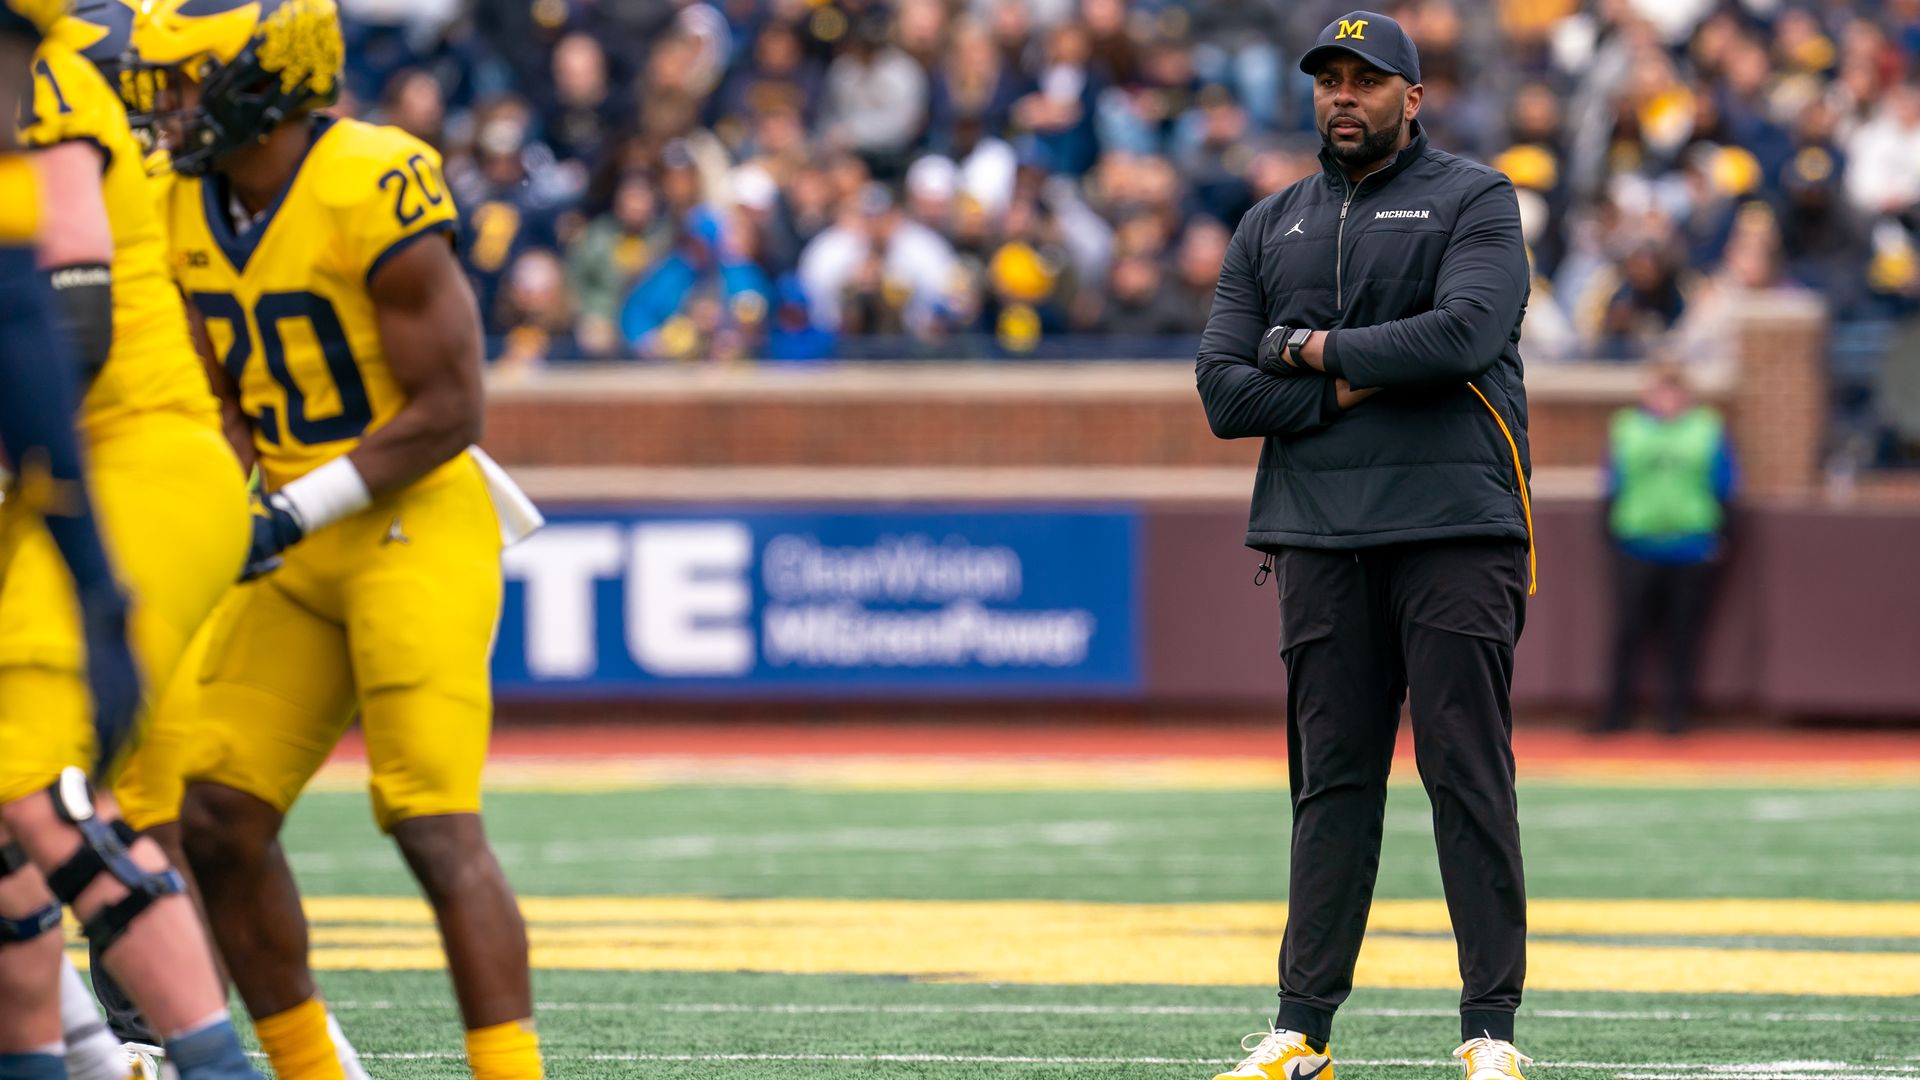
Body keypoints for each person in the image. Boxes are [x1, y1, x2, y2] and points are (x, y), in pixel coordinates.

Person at [133, 1, 545, 1078]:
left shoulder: (370, 178)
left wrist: (290, 508)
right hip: (291, 537)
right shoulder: (185, 204)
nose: (165, 104)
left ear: (264, 83)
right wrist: (230, 497)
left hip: (407, 519)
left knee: (431, 825)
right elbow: (222, 393)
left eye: (187, 81)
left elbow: (454, 406)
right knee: (215, 816)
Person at [1194, 12, 1536, 1080]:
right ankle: (1301, 1032)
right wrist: (1358, 380)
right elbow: (1221, 390)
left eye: (1367, 79)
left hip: (1455, 526)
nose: (1344, 95)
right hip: (1316, 535)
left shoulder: (1475, 196)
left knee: (1465, 774)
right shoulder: (1269, 223)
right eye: (1329, 79)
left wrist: (1310, 355)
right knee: (1329, 786)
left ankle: (1489, 1031)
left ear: (1412, 95)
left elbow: (1467, 334)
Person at [2, 3, 264, 1079]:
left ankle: (216, 1064)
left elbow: (66, 316)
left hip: (128, 461)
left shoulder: (50, 80)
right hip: (64, 465)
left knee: (33, 772)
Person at [1597, 364, 1735, 735]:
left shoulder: (1707, 429)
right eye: (1660, 390)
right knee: (1628, 634)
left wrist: (1719, 537)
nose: (1667, 399)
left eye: (1674, 391)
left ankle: (1674, 716)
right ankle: (1616, 715)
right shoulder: (1627, 428)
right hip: (1636, 544)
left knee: (1681, 637)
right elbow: (1611, 484)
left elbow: (1725, 486)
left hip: (1690, 547)